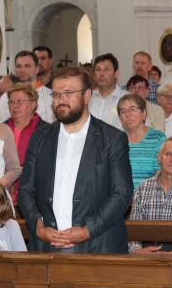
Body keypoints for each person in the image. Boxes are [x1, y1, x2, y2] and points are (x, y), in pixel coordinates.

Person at [18, 66, 133, 253]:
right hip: (47, 246)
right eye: (56, 95)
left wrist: (88, 230)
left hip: (97, 246)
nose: (61, 100)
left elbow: (122, 193)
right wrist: (38, 227)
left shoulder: (112, 139)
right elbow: (25, 189)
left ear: (87, 96)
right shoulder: (40, 137)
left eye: (68, 93)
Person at [3, 83, 48, 204]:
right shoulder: (0, 129)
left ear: (33, 104)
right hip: (4, 196)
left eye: (20, 102)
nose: (15, 106)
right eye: (11, 102)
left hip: (35, 196)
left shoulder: (47, 131)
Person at [117, 93, 166, 189]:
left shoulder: (157, 138)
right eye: (123, 111)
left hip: (149, 197)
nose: (128, 115)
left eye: (133, 109)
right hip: (121, 199)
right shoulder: (115, 140)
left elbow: (161, 173)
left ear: (144, 114)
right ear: (120, 118)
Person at [0, 50, 55, 123]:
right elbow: (1, 127)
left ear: (37, 69)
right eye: (19, 66)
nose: (22, 70)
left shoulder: (50, 96)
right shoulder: (6, 97)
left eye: (27, 66)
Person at [89, 53, 129, 128]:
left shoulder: (128, 99)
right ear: (94, 74)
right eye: (98, 69)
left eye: (106, 69)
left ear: (116, 74)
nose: (101, 73)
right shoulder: (88, 98)